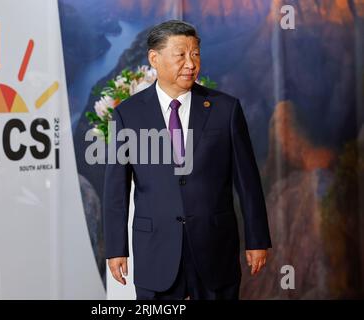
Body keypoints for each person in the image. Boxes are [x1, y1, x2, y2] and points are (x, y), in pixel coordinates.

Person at [103, 20, 271, 300]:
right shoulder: (127, 115)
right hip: (155, 250)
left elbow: (248, 182)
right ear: (154, 59)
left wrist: (257, 239)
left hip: (214, 246)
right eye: (181, 55)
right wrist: (116, 248)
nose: (191, 63)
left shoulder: (225, 109)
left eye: (195, 54)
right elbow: (115, 190)